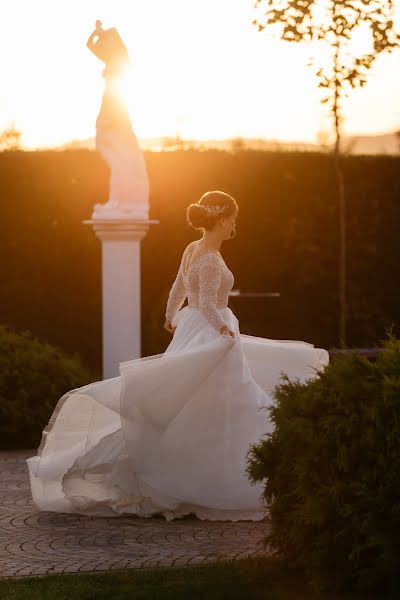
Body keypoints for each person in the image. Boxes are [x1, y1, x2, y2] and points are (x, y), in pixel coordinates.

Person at [27, 190, 329, 521]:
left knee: (192, 400)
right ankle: (219, 474)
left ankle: (195, 465)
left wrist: (171, 316)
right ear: (223, 218)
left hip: (192, 329)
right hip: (211, 332)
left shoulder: (192, 248)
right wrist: (224, 331)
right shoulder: (211, 259)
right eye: (233, 219)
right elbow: (211, 304)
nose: (234, 226)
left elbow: (178, 288)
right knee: (223, 401)